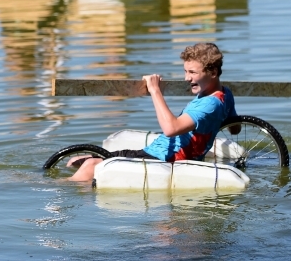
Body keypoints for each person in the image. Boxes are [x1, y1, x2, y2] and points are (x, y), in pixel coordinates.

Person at [68, 43, 237, 182]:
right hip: (155, 151)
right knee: (76, 161)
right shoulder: (225, 94)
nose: (186, 78)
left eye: (192, 72)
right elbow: (235, 128)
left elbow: (171, 129)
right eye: (185, 71)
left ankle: (58, 191)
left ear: (213, 73)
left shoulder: (209, 104)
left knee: (90, 165)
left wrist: (155, 90)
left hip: (165, 159)